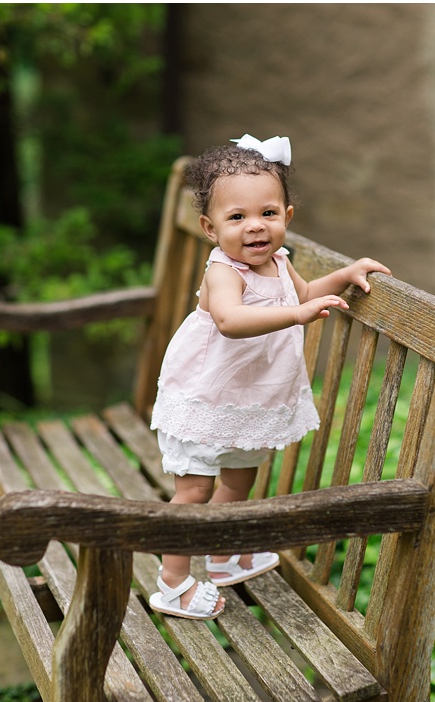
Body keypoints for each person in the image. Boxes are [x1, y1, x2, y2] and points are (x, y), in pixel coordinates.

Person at [148, 134, 391, 620]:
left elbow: (302, 293)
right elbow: (230, 321)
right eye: (237, 218)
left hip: (248, 400)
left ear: (287, 217)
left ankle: (220, 556)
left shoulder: (279, 262)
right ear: (210, 227)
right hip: (205, 396)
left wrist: (345, 274)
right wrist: (299, 316)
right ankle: (171, 582)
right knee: (194, 489)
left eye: (268, 214)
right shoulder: (225, 273)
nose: (255, 228)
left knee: (239, 478)